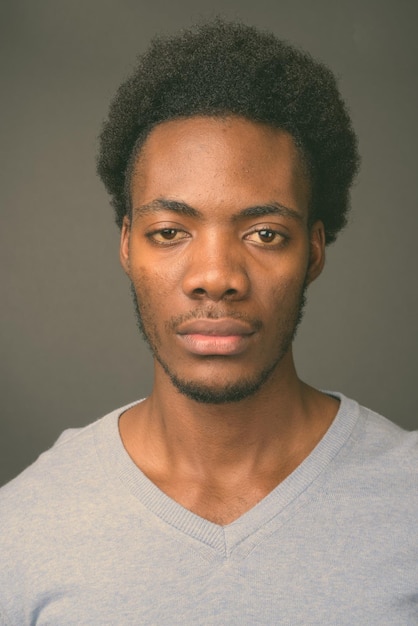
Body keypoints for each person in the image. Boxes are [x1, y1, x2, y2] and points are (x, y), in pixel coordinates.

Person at [0, 19, 417, 625]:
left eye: (265, 234)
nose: (216, 275)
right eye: (170, 233)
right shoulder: (25, 527)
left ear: (315, 250)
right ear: (126, 246)